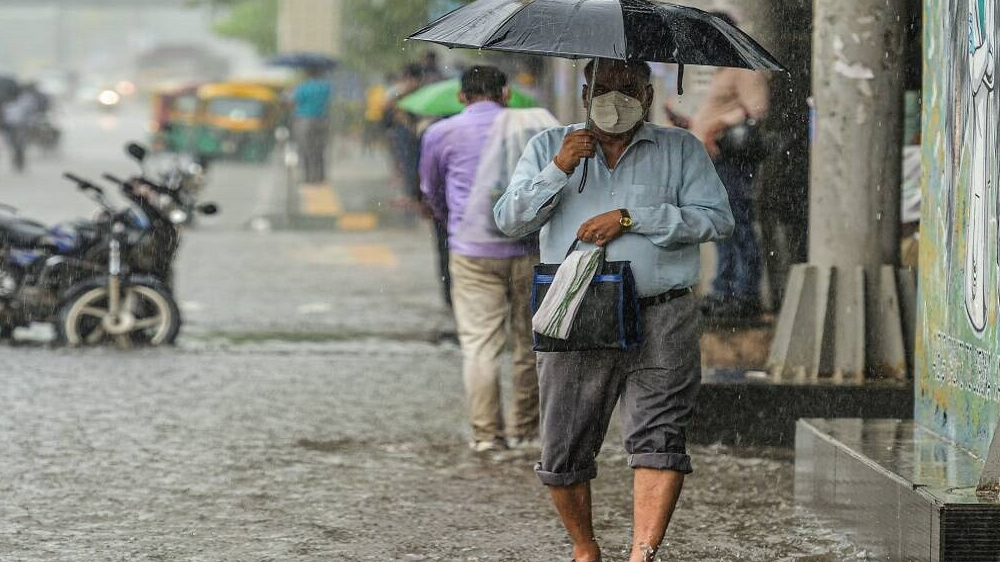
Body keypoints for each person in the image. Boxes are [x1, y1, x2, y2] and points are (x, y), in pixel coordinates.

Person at [494, 58, 734, 562]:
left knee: (660, 434)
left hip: (662, 312)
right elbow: (510, 221)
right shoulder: (547, 147)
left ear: (649, 95)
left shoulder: (681, 148)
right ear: (584, 95)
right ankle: (585, 548)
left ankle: (642, 553)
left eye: (628, 88)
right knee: (563, 445)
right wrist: (558, 168)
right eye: (603, 87)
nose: (615, 98)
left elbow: (716, 219)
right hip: (575, 311)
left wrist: (632, 218)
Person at [420, 66, 557, 452]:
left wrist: (454, 222)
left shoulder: (440, 132)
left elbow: (431, 190)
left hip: (472, 251)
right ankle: (526, 431)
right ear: (506, 93)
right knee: (529, 342)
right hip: (529, 248)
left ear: (461, 97)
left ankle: (486, 436)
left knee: (480, 346)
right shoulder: (530, 129)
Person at [690, 11, 770, 320]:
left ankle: (744, 292)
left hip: (732, 160)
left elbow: (757, 110)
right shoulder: (723, 69)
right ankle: (723, 290)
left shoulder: (743, 67)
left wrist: (716, 126)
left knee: (739, 224)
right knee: (723, 225)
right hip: (715, 159)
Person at [290, 66, 333, 184]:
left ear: (307, 73)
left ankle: (308, 176)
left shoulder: (303, 87)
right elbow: (328, 100)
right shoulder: (325, 87)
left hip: (305, 119)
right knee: (319, 148)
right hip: (322, 119)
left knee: (305, 148)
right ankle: (320, 176)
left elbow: (293, 101)